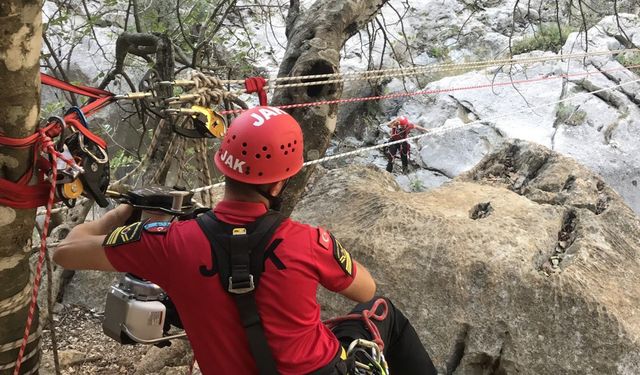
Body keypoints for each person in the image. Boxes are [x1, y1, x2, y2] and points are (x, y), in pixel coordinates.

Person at [53, 106, 437, 375]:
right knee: (386, 313)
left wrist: (124, 212)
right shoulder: (309, 242)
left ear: (224, 166)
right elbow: (366, 289)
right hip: (318, 370)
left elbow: (66, 252)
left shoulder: (166, 241)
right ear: (278, 181)